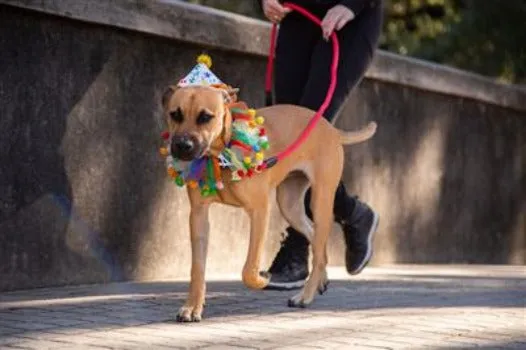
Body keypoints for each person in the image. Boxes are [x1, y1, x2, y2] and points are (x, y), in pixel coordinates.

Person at [259, 0, 383, 290]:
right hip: (296, 19)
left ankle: (298, 250)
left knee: (307, 135)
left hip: (348, 22)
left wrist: (352, 5)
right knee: (288, 139)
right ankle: (353, 213)